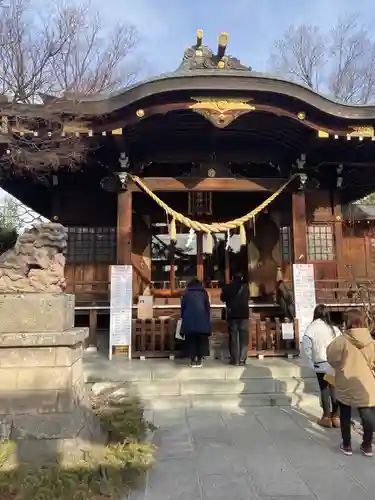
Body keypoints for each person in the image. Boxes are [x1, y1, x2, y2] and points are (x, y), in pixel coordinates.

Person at [327, 309, 375, 457]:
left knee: (345, 414)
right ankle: (367, 445)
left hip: (346, 380)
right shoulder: (371, 341)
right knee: (367, 415)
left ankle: (347, 444)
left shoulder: (342, 340)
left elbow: (331, 357)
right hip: (364, 381)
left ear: (347, 322)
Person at [302, 304, 341, 428]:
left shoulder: (311, 328)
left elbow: (306, 347)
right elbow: (341, 345)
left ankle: (326, 417)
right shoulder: (334, 329)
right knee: (334, 389)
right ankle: (336, 416)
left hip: (320, 365)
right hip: (333, 364)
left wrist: (310, 362)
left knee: (324, 390)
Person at [220, 272, 250, 366]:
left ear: (232, 278)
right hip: (244, 315)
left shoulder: (227, 287)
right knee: (244, 337)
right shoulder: (245, 288)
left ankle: (235, 359)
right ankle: (242, 359)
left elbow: (222, 298)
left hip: (232, 314)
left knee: (233, 337)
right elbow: (247, 297)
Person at [180, 278, 211, 368]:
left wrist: (183, 317)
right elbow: (207, 308)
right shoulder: (204, 293)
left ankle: (193, 360)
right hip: (202, 320)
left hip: (189, 321)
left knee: (191, 340)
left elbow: (183, 307)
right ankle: (200, 360)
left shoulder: (186, 293)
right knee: (201, 341)